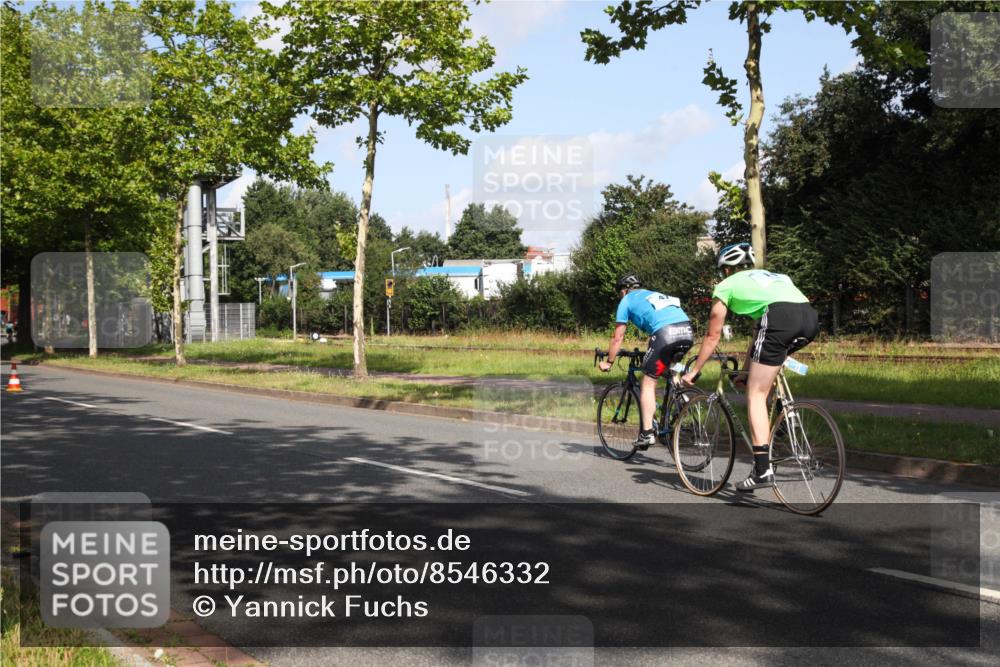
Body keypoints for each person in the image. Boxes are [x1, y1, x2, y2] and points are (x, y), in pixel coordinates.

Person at [682, 242, 819, 491]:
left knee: (756, 394)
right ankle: (784, 417)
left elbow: (712, 336)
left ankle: (762, 470)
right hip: (809, 319)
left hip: (779, 319)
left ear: (726, 269)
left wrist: (694, 370)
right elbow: (759, 337)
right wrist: (746, 371)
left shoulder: (726, 285)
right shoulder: (777, 277)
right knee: (767, 369)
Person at [598, 274, 694, 449]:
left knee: (648, 382)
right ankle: (681, 396)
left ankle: (647, 433)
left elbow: (618, 337)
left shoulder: (626, 300)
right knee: (669, 367)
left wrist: (609, 362)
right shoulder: (652, 294)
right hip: (687, 331)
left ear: (624, 291)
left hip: (665, 334)